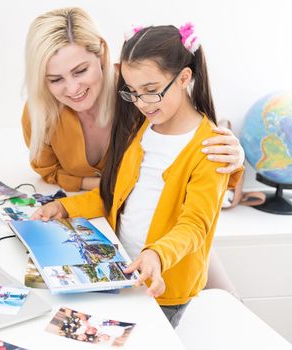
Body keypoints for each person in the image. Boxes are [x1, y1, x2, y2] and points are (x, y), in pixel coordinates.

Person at [32, 22, 230, 328]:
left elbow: (195, 226)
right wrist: (66, 207)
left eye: (150, 92)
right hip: (123, 266)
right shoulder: (143, 127)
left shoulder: (209, 149)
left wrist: (157, 255)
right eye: (133, 93)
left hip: (161, 284)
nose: (139, 103)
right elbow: (117, 196)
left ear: (184, 78)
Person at [21, 7, 244, 192]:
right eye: (55, 79)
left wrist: (234, 157)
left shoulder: (140, 93)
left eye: (80, 71)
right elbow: (48, 171)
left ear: (101, 53)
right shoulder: (40, 111)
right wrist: (100, 186)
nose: (72, 89)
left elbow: (191, 151)